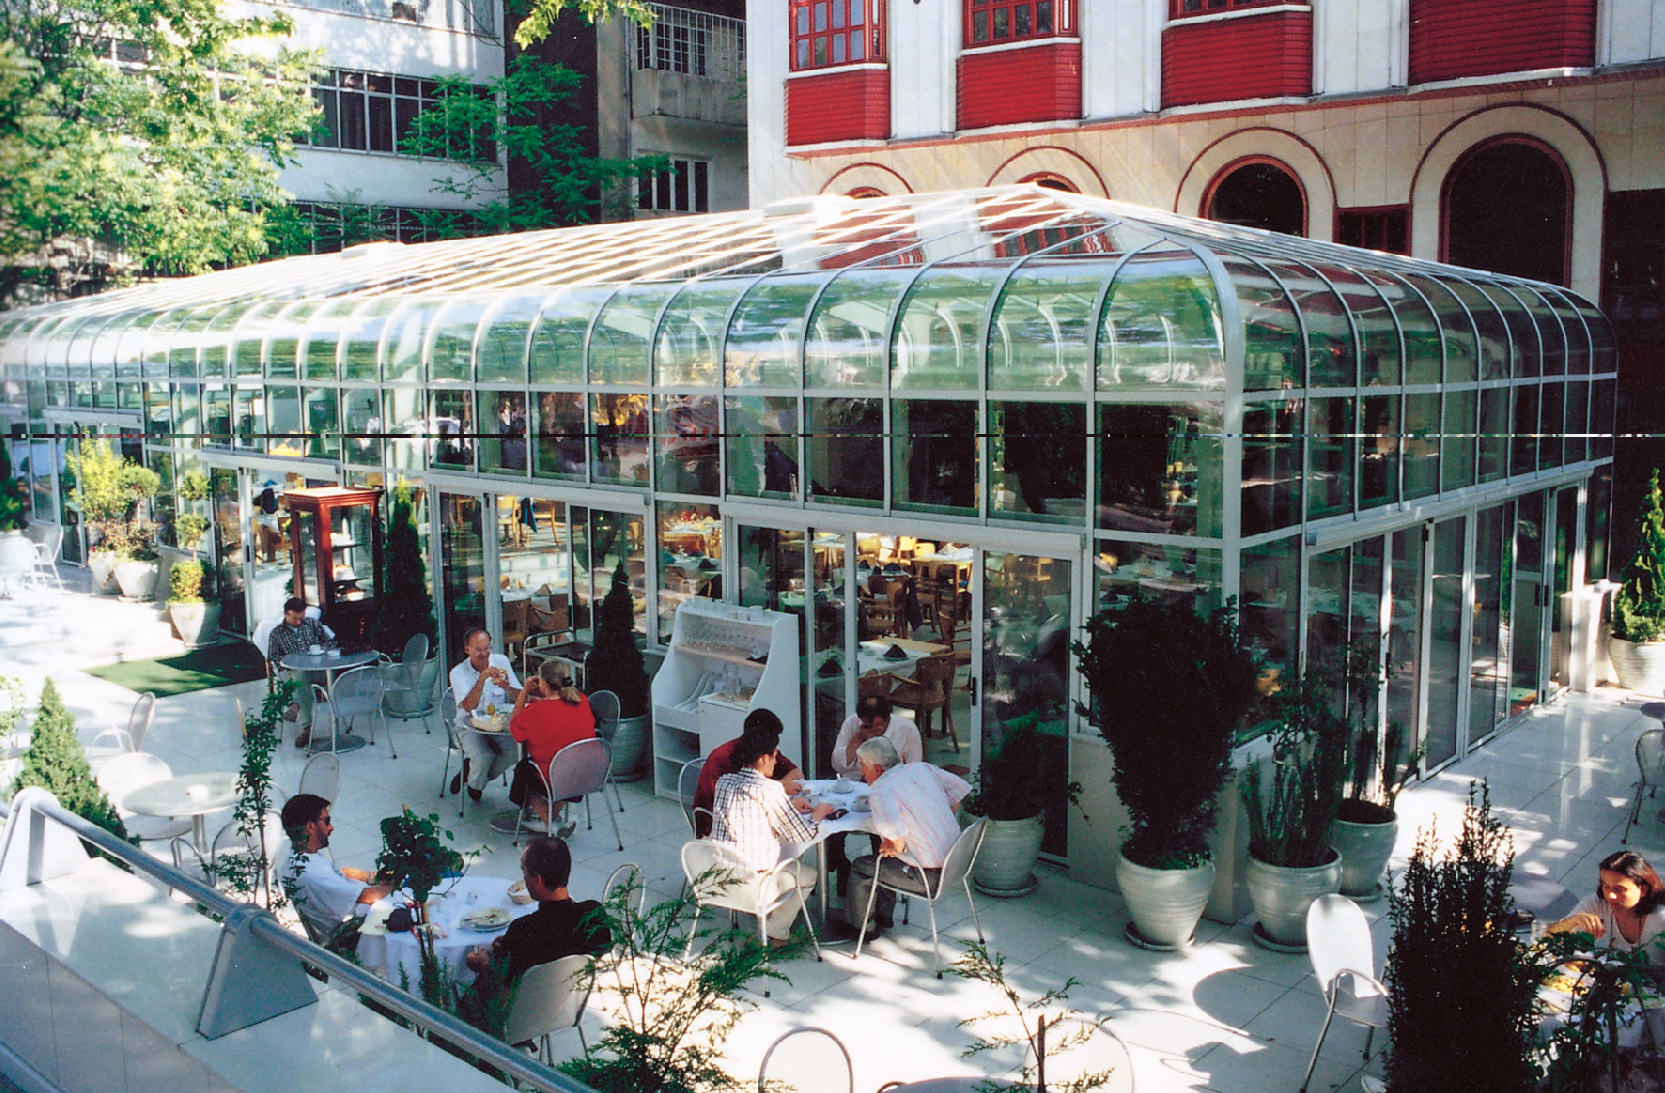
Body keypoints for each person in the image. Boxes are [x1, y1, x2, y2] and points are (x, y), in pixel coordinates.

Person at [710, 728, 834, 941]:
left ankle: (772, 925)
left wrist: (788, 805)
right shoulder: (770, 790)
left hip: (720, 874)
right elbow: (803, 834)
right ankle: (776, 932)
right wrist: (819, 813)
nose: (776, 762)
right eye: (775, 757)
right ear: (763, 758)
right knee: (809, 874)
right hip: (753, 882)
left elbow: (751, 809)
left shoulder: (724, 782)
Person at [843, 736, 971, 936]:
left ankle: (862, 929)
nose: (861, 772)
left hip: (929, 877)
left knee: (864, 866)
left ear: (876, 769)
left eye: (863, 767)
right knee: (887, 859)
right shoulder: (922, 768)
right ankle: (884, 917)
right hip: (957, 863)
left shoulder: (881, 791)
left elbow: (897, 846)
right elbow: (960, 791)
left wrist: (889, 844)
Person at [463, 837, 611, 997]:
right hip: (570, 1005)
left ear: (537, 879)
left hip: (521, 1014)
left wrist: (483, 965)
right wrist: (507, 946)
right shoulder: (594, 914)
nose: (524, 879)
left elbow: (497, 992)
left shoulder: (523, 930)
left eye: (524, 872)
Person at [277, 793, 393, 940]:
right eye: (326, 821)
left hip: (356, 913)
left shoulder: (300, 860)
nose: (331, 828)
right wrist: (401, 883)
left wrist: (373, 878)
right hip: (355, 931)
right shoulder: (310, 873)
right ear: (310, 826)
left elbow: (342, 873)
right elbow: (367, 897)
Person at [508, 661, 597, 837]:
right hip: (586, 772)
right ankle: (552, 818)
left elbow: (515, 728)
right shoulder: (582, 700)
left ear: (544, 684)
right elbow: (560, 713)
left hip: (556, 776)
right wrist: (541, 703)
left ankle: (549, 822)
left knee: (523, 771)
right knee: (567, 764)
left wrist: (524, 692)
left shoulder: (536, 711)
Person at [692, 708, 805, 838]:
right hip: (717, 823)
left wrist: (774, 789)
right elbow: (731, 805)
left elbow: (797, 773)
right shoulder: (722, 758)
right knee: (794, 832)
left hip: (747, 816)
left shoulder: (764, 750)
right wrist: (776, 789)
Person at [1546, 850, 1665, 960]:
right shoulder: (1599, 903)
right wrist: (1574, 920)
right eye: (1606, 886)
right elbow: (1546, 937)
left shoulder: (1661, 918)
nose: (1611, 896)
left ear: (1643, 890)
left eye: (1619, 889)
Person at [450, 626, 523, 803]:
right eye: (479, 649)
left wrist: (507, 687)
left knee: (516, 751)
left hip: (497, 724)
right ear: (467, 650)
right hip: (469, 726)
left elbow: (518, 697)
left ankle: (473, 779)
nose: (484, 654)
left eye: (487, 648)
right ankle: (475, 782)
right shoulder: (458, 672)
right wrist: (481, 680)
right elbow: (468, 706)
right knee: (484, 757)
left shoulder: (501, 661)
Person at [266, 596, 335, 745]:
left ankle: (296, 709)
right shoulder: (277, 633)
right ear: (286, 614)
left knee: (300, 680)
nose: (298, 622)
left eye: (301, 617)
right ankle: (306, 727)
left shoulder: (312, 623)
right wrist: (287, 662)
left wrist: (324, 648)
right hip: (295, 672)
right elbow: (273, 657)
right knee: (299, 676)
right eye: (295, 618)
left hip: (319, 669)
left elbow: (330, 642)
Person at [830, 694, 922, 778]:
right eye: (871, 726)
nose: (878, 729)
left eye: (881, 726)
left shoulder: (907, 729)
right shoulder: (852, 723)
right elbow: (837, 765)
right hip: (854, 784)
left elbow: (914, 771)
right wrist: (859, 738)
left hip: (889, 785)